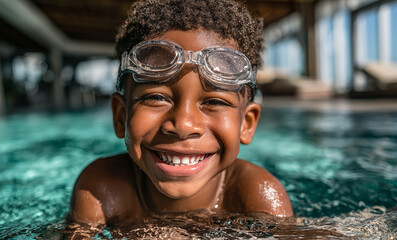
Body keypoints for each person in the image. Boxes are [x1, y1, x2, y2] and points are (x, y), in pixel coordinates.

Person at [70, 0, 293, 225]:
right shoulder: (101, 190)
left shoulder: (257, 195)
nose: (183, 126)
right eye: (156, 97)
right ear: (121, 116)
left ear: (247, 123)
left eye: (214, 101)